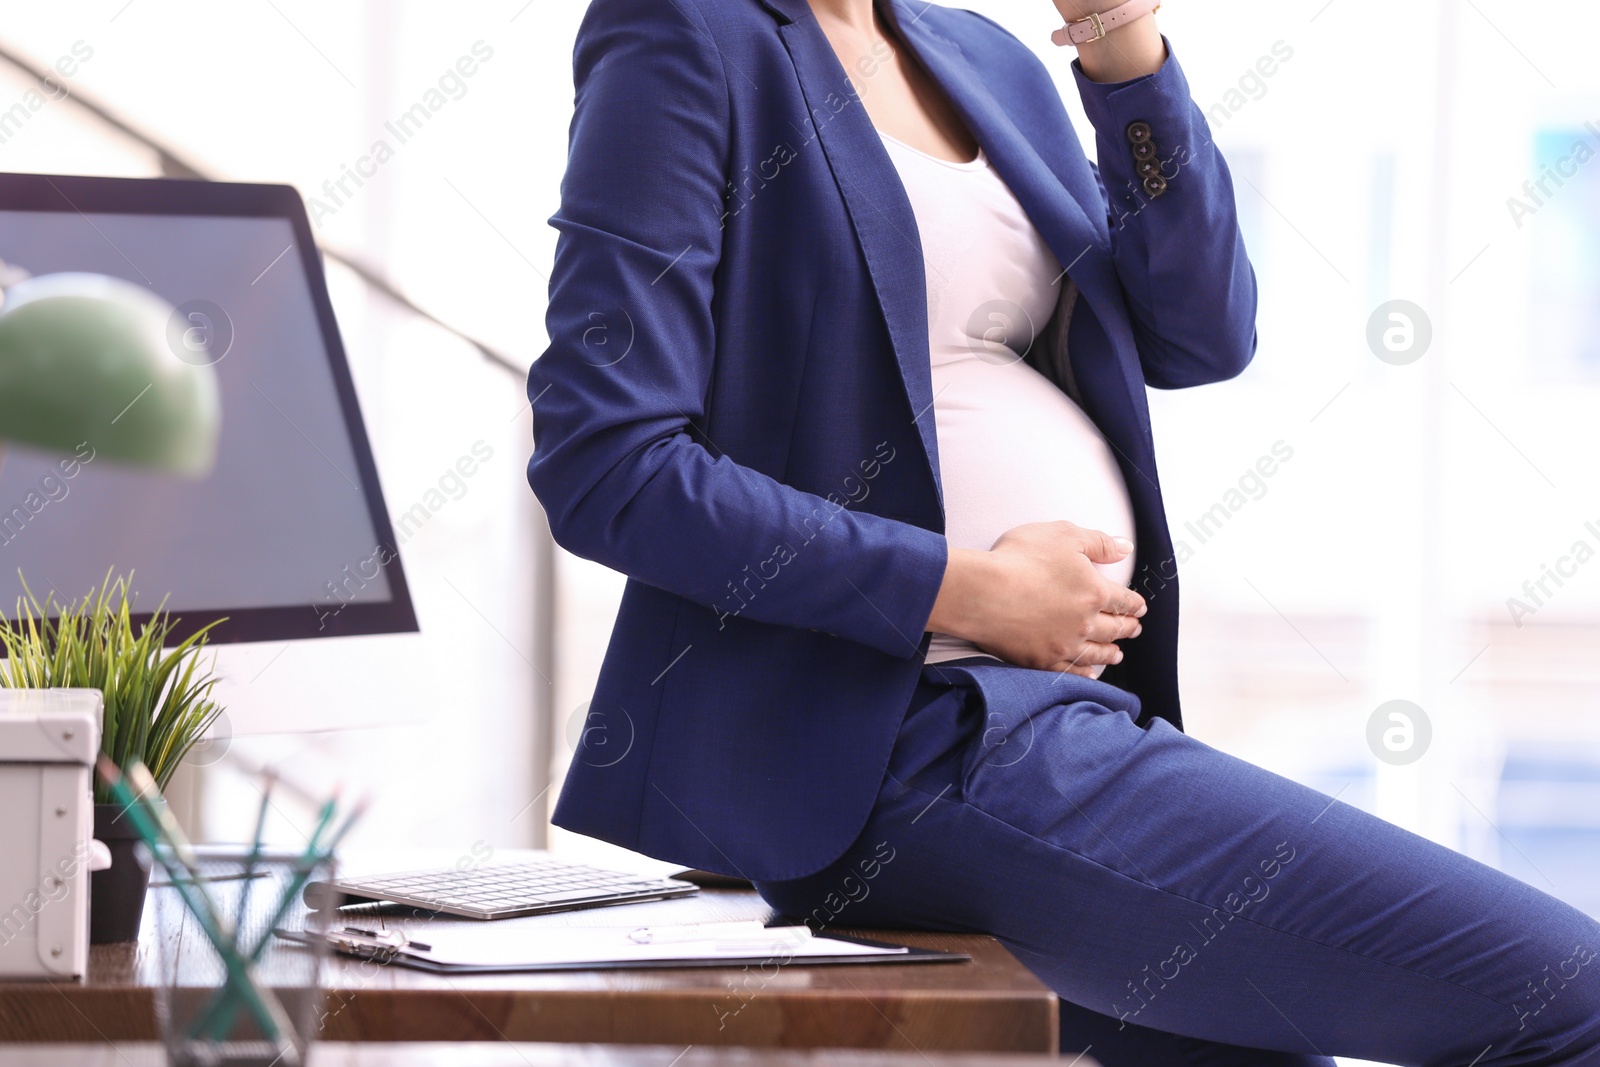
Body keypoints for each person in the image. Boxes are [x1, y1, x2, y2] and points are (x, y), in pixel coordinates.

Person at [526, 0, 1600, 1061]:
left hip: (1069, 715)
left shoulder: (977, 54)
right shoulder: (686, 34)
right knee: (1573, 993)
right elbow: (608, 462)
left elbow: (1201, 330)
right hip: (912, 734)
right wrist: (964, 587)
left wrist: (1123, 52)